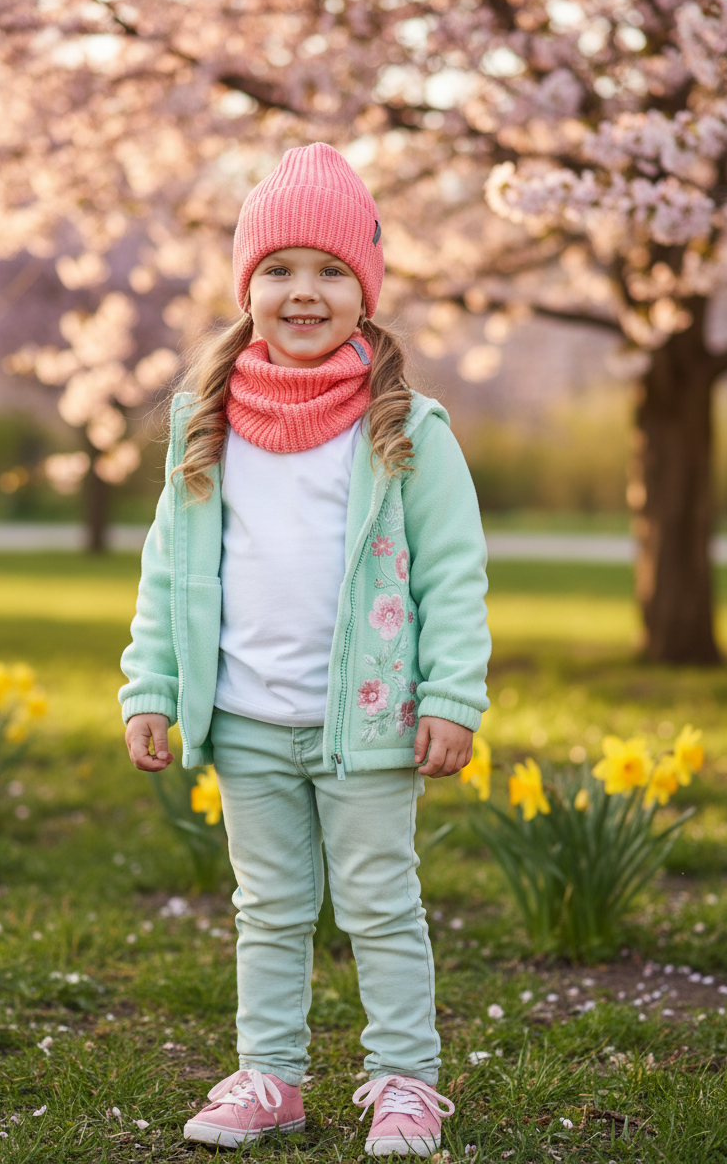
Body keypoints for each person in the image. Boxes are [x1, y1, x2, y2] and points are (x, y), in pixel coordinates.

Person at [119, 142, 491, 1157]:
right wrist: (151, 684)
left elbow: (453, 574)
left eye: (331, 270)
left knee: (381, 902)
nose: (303, 291)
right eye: (278, 268)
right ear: (247, 286)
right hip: (246, 718)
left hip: (368, 722)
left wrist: (451, 696)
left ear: (365, 291)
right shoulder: (206, 425)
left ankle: (405, 1079)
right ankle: (271, 1075)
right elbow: (168, 571)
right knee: (270, 907)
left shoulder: (405, 428)